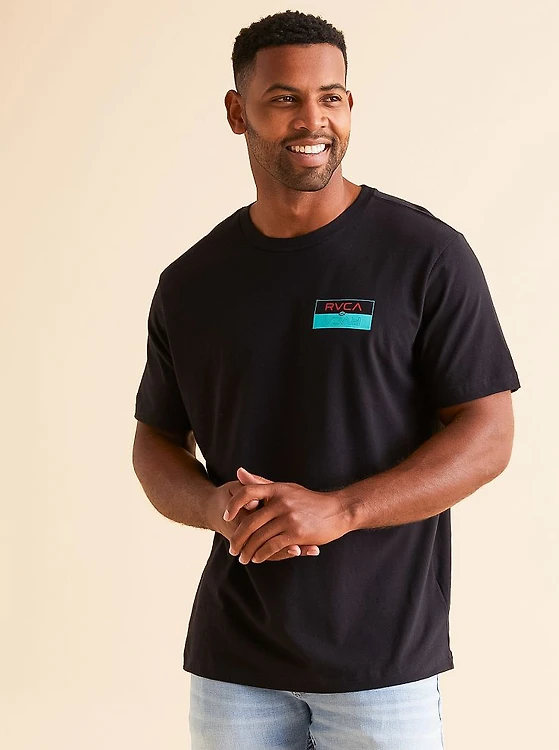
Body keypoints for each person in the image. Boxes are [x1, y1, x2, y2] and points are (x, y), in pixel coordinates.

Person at [132, 10, 521, 750]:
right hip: (233, 665)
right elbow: (154, 441)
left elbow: (489, 433)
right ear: (237, 112)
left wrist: (341, 509)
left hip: (381, 664)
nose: (313, 120)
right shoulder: (192, 282)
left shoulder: (424, 255)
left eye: (331, 97)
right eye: (285, 98)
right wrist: (215, 505)